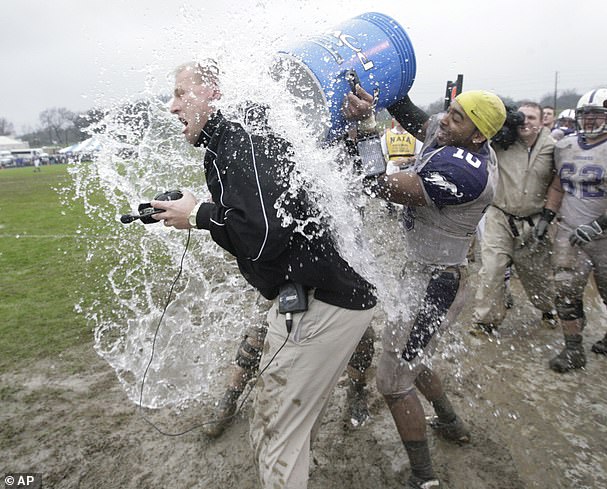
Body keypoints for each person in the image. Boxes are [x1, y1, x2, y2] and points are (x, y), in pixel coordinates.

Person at [153, 60, 377, 489]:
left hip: (323, 303)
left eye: (181, 93)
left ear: (214, 92)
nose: (172, 105)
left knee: (275, 437)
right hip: (333, 294)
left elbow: (263, 237)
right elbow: (266, 218)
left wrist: (199, 214)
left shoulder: (238, 140)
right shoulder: (239, 137)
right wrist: (203, 208)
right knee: (290, 427)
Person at [345, 88, 505, 489]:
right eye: (450, 111)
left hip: (436, 282)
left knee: (392, 382)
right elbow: (412, 113)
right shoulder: (456, 135)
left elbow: (380, 185)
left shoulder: (465, 172)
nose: (444, 119)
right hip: (426, 271)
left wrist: (365, 129)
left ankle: (424, 477)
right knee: (413, 356)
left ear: (478, 137)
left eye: (456, 117)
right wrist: (380, 91)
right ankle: (450, 421)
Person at [541, 88, 607, 373]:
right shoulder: (565, 145)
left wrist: (599, 225)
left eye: (597, 114)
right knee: (564, 288)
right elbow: (558, 184)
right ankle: (573, 348)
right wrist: (547, 216)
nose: (591, 120)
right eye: (586, 115)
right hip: (571, 230)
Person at [205, 306, 376, 438]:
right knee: (256, 337)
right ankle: (231, 396)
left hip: (334, 290)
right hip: (287, 286)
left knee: (363, 335)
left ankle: (357, 391)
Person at [471, 102, 558, 335]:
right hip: (500, 215)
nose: (526, 122)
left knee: (535, 274)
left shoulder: (553, 147)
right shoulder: (503, 143)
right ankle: (485, 321)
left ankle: (548, 309)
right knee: (491, 268)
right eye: (522, 117)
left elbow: (558, 186)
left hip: (534, 219)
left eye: (532, 118)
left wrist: (548, 218)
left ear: (541, 123)